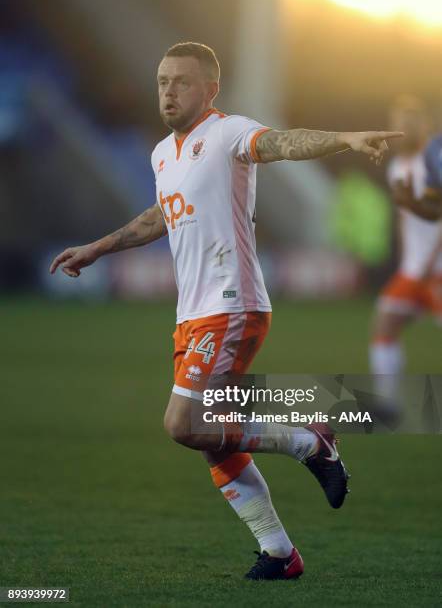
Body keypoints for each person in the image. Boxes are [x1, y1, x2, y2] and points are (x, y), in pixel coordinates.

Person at [50, 42, 402, 580]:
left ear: (210, 89)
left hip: (231, 303)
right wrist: (97, 247)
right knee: (211, 439)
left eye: (181, 82)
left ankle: (309, 440)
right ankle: (280, 555)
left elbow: (282, 143)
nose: (168, 91)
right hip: (190, 314)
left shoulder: (229, 132)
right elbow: (159, 217)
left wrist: (347, 139)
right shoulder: (162, 153)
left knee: (184, 423)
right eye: (163, 81)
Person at [370, 96, 442, 406]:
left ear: (424, 126)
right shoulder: (398, 165)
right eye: (398, 125)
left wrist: (429, 259)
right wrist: (406, 258)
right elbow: (404, 215)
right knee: (385, 324)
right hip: (413, 269)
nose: (402, 131)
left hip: (436, 268)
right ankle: (388, 403)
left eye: (409, 125)